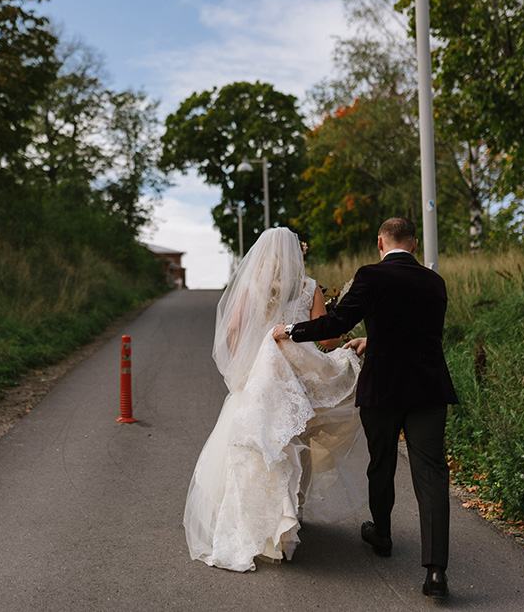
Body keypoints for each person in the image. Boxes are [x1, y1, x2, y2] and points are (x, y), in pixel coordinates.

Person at [273, 216, 458, 598]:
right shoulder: (434, 282)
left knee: (383, 461)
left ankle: (383, 535)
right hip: (429, 389)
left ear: (380, 242)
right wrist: (370, 342)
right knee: (433, 474)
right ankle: (436, 571)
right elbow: (415, 335)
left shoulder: (371, 276)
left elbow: (335, 323)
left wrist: (290, 332)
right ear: (414, 243)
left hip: (384, 387)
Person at [183, 227, 369, 572]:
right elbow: (325, 338)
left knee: (252, 447)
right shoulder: (308, 286)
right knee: (294, 443)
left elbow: (233, 328)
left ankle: (261, 521)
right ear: (297, 254)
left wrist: (243, 365)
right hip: (296, 384)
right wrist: (341, 338)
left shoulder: (253, 285)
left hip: (258, 378)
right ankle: (289, 517)